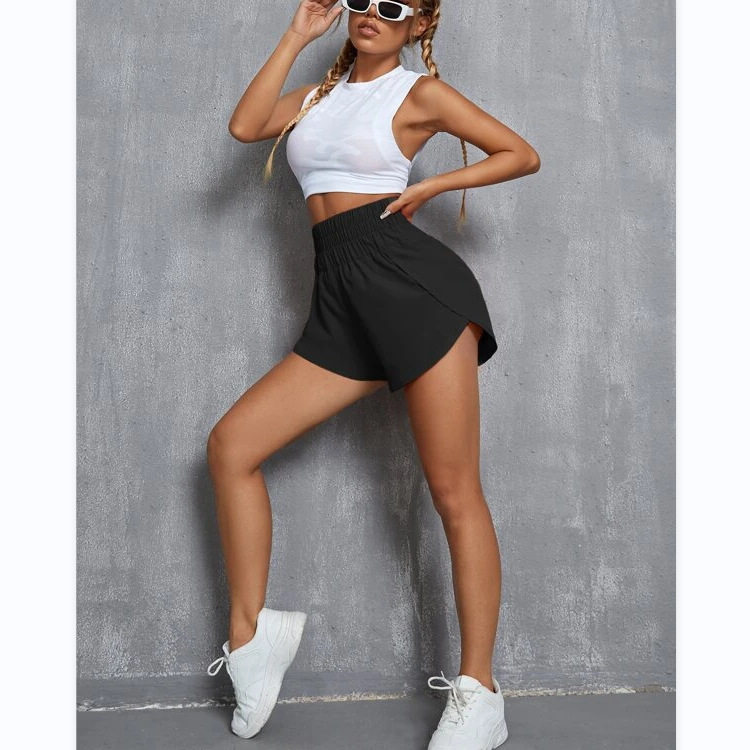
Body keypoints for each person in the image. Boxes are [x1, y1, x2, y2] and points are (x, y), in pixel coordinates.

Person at [205, 2, 540, 748]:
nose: (371, 14)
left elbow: (521, 154)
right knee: (232, 448)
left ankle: (480, 692)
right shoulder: (318, 97)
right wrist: (297, 34)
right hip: (341, 300)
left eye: (393, 7)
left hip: (415, 292)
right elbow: (247, 126)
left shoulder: (418, 94)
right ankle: (252, 641)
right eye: (362, 0)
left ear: (418, 26)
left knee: (454, 492)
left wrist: (429, 189)